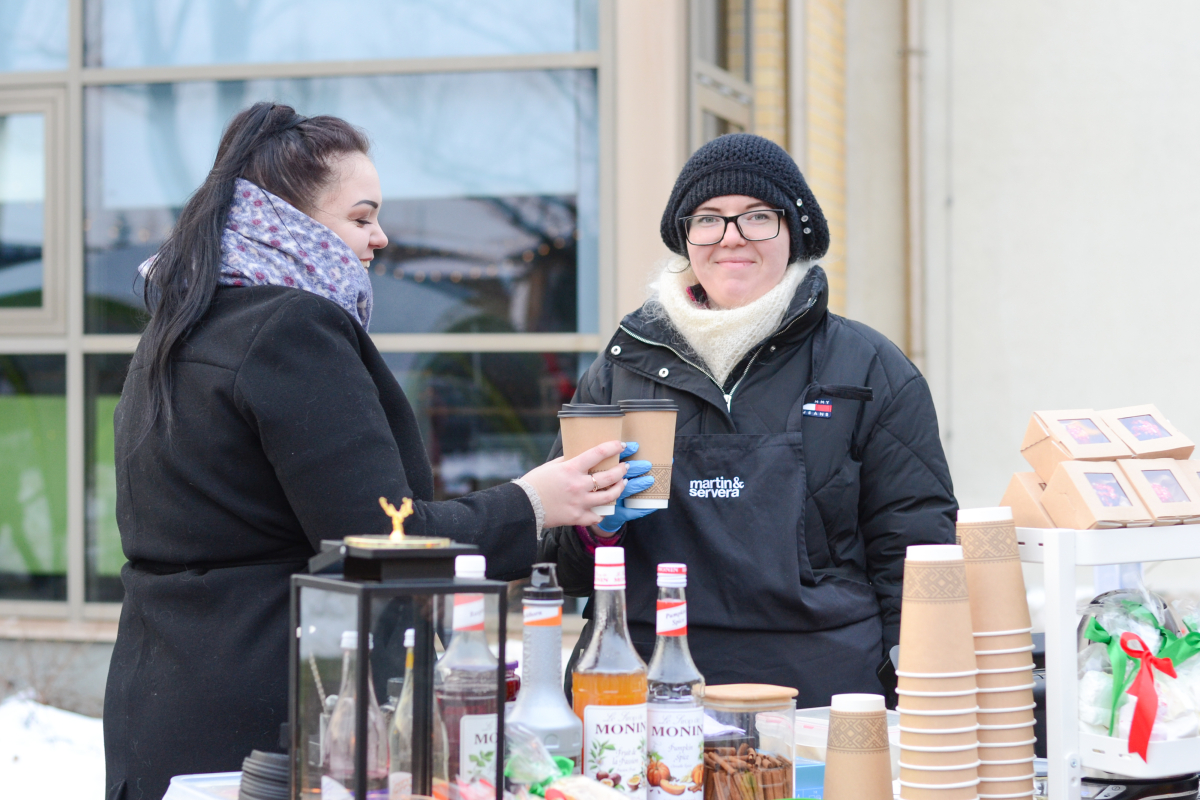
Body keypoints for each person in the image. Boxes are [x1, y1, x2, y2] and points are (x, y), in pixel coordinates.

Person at [104, 102, 636, 800]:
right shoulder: (293, 328)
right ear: (287, 222)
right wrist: (534, 502)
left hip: (164, 700)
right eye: (361, 217)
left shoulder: (181, 329)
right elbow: (383, 543)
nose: (380, 237)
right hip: (275, 718)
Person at [538, 133, 958, 705]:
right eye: (708, 218)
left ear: (795, 233)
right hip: (643, 686)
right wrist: (594, 529)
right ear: (686, 237)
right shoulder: (622, 370)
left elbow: (915, 549)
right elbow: (567, 567)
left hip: (820, 690)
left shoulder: (867, 369)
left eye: (757, 216)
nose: (730, 238)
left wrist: (913, 689)